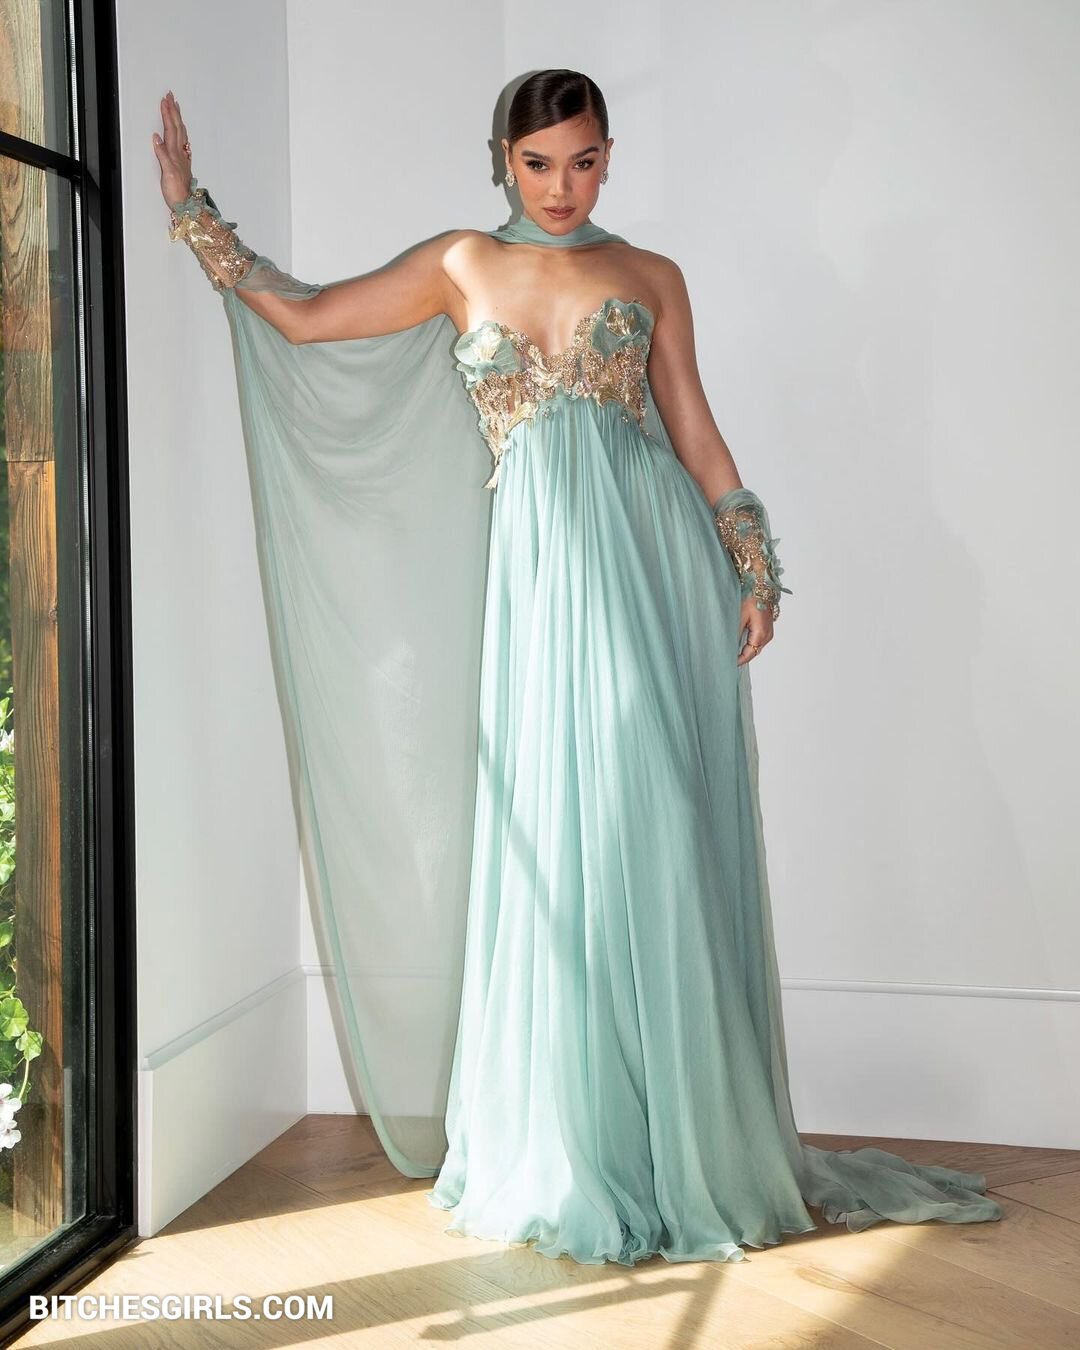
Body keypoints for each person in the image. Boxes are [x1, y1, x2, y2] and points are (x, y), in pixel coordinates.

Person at [154, 70, 1003, 1266]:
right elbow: (307, 317)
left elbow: (692, 427)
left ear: (610, 155)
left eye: (586, 160)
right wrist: (194, 214)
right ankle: (573, 1137)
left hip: (652, 567)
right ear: (503, 158)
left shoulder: (651, 276)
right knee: (559, 835)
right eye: (540, 163)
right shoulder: (460, 264)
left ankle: (684, 1143)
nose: (563, 187)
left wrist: (751, 558)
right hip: (543, 588)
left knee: (649, 823)